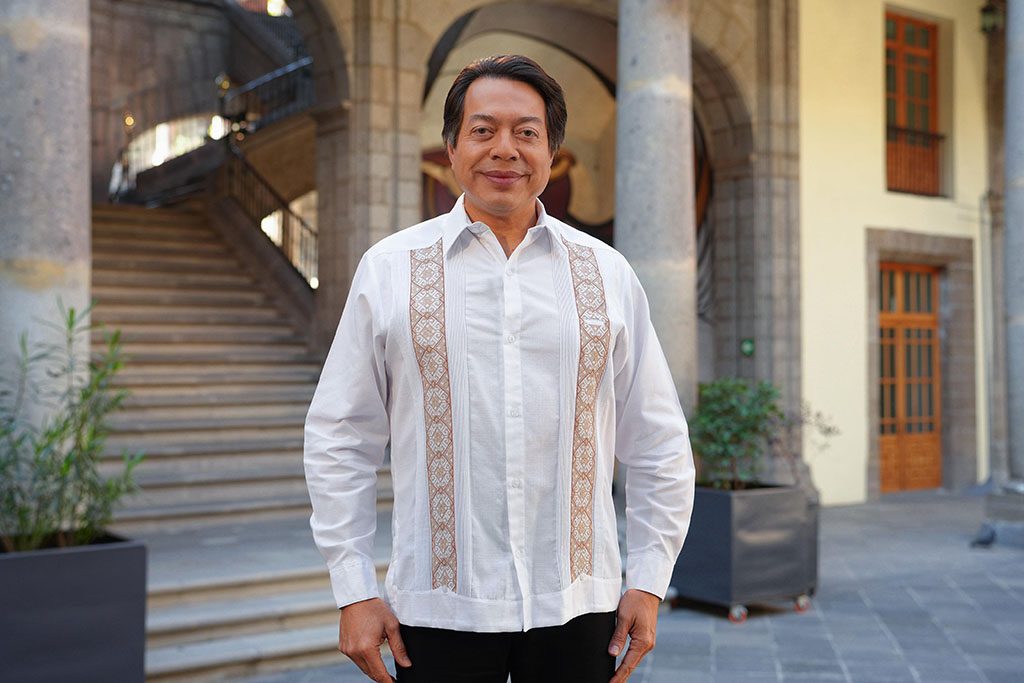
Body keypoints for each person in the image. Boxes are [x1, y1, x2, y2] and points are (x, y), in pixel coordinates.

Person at [304, 54, 696, 683]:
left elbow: (657, 439)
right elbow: (340, 436)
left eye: (526, 132)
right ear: (452, 148)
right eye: (483, 130)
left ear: (552, 151)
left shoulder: (607, 274)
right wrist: (353, 589)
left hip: (579, 605)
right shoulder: (390, 270)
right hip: (437, 609)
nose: (504, 149)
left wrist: (649, 581)